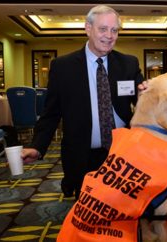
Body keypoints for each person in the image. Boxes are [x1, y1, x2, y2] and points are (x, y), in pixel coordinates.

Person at [22, 5, 144, 200]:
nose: (109, 36)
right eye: (103, 29)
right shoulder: (63, 67)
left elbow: (142, 99)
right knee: (87, 211)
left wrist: (152, 93)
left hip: (122, 153)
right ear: (88, 28)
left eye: (114, 30)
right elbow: (51, 113)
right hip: (82, 153)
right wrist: (37, 146)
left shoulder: (129, 63)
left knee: (122, 207)